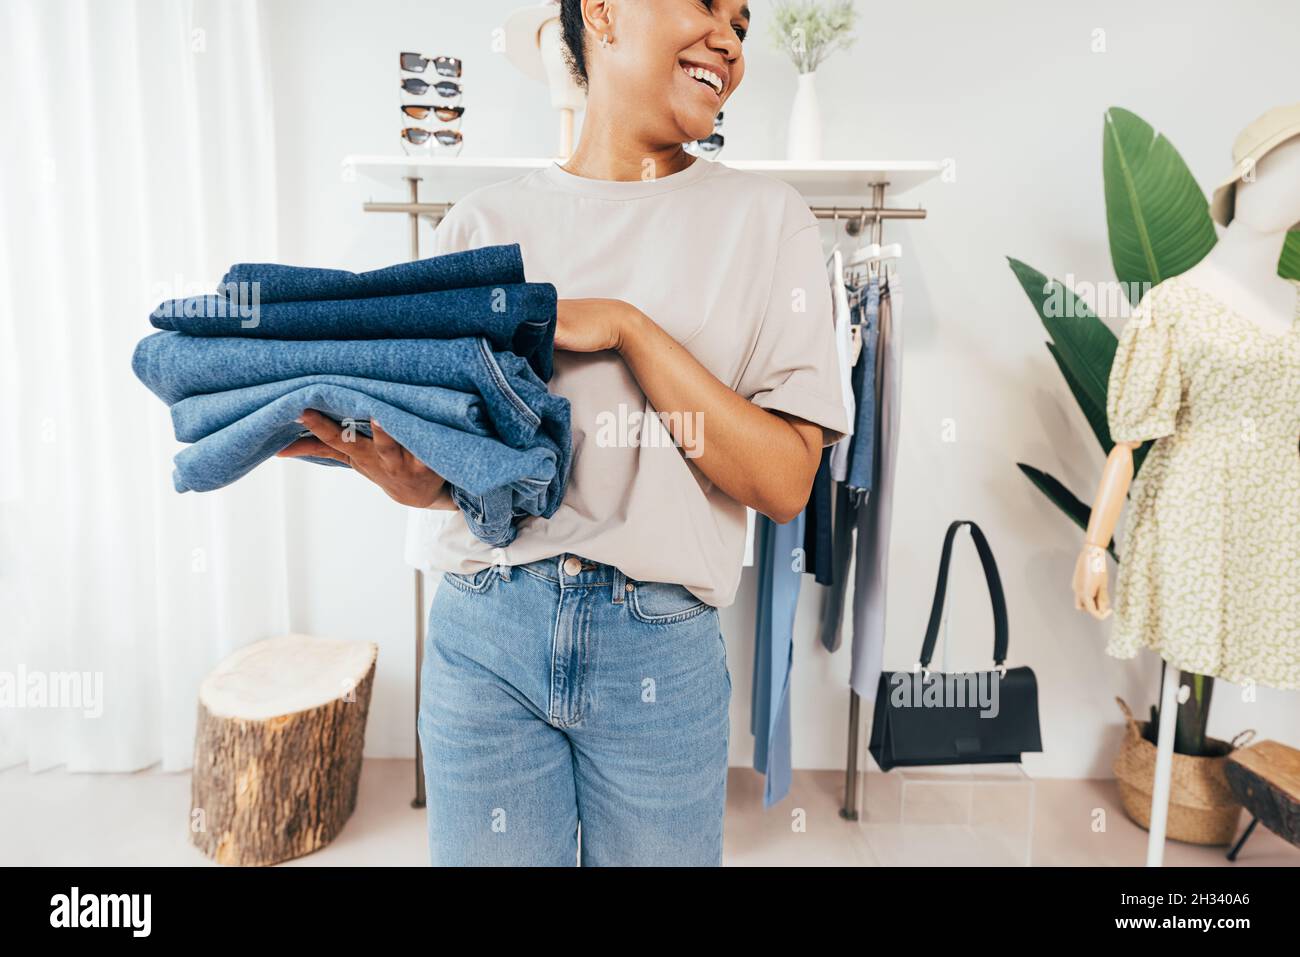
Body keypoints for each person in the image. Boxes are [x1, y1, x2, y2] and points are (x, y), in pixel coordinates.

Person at [280, 0, 849, 866]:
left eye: (742, 23)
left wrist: (629, 327)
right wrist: (411, 477)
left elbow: (785, 482)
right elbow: (461, 476)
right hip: (485, 635)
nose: (731, 39)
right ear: (605, 14)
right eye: (706, 6)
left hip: (659, 652)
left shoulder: (768, 223)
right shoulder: (478, 227)